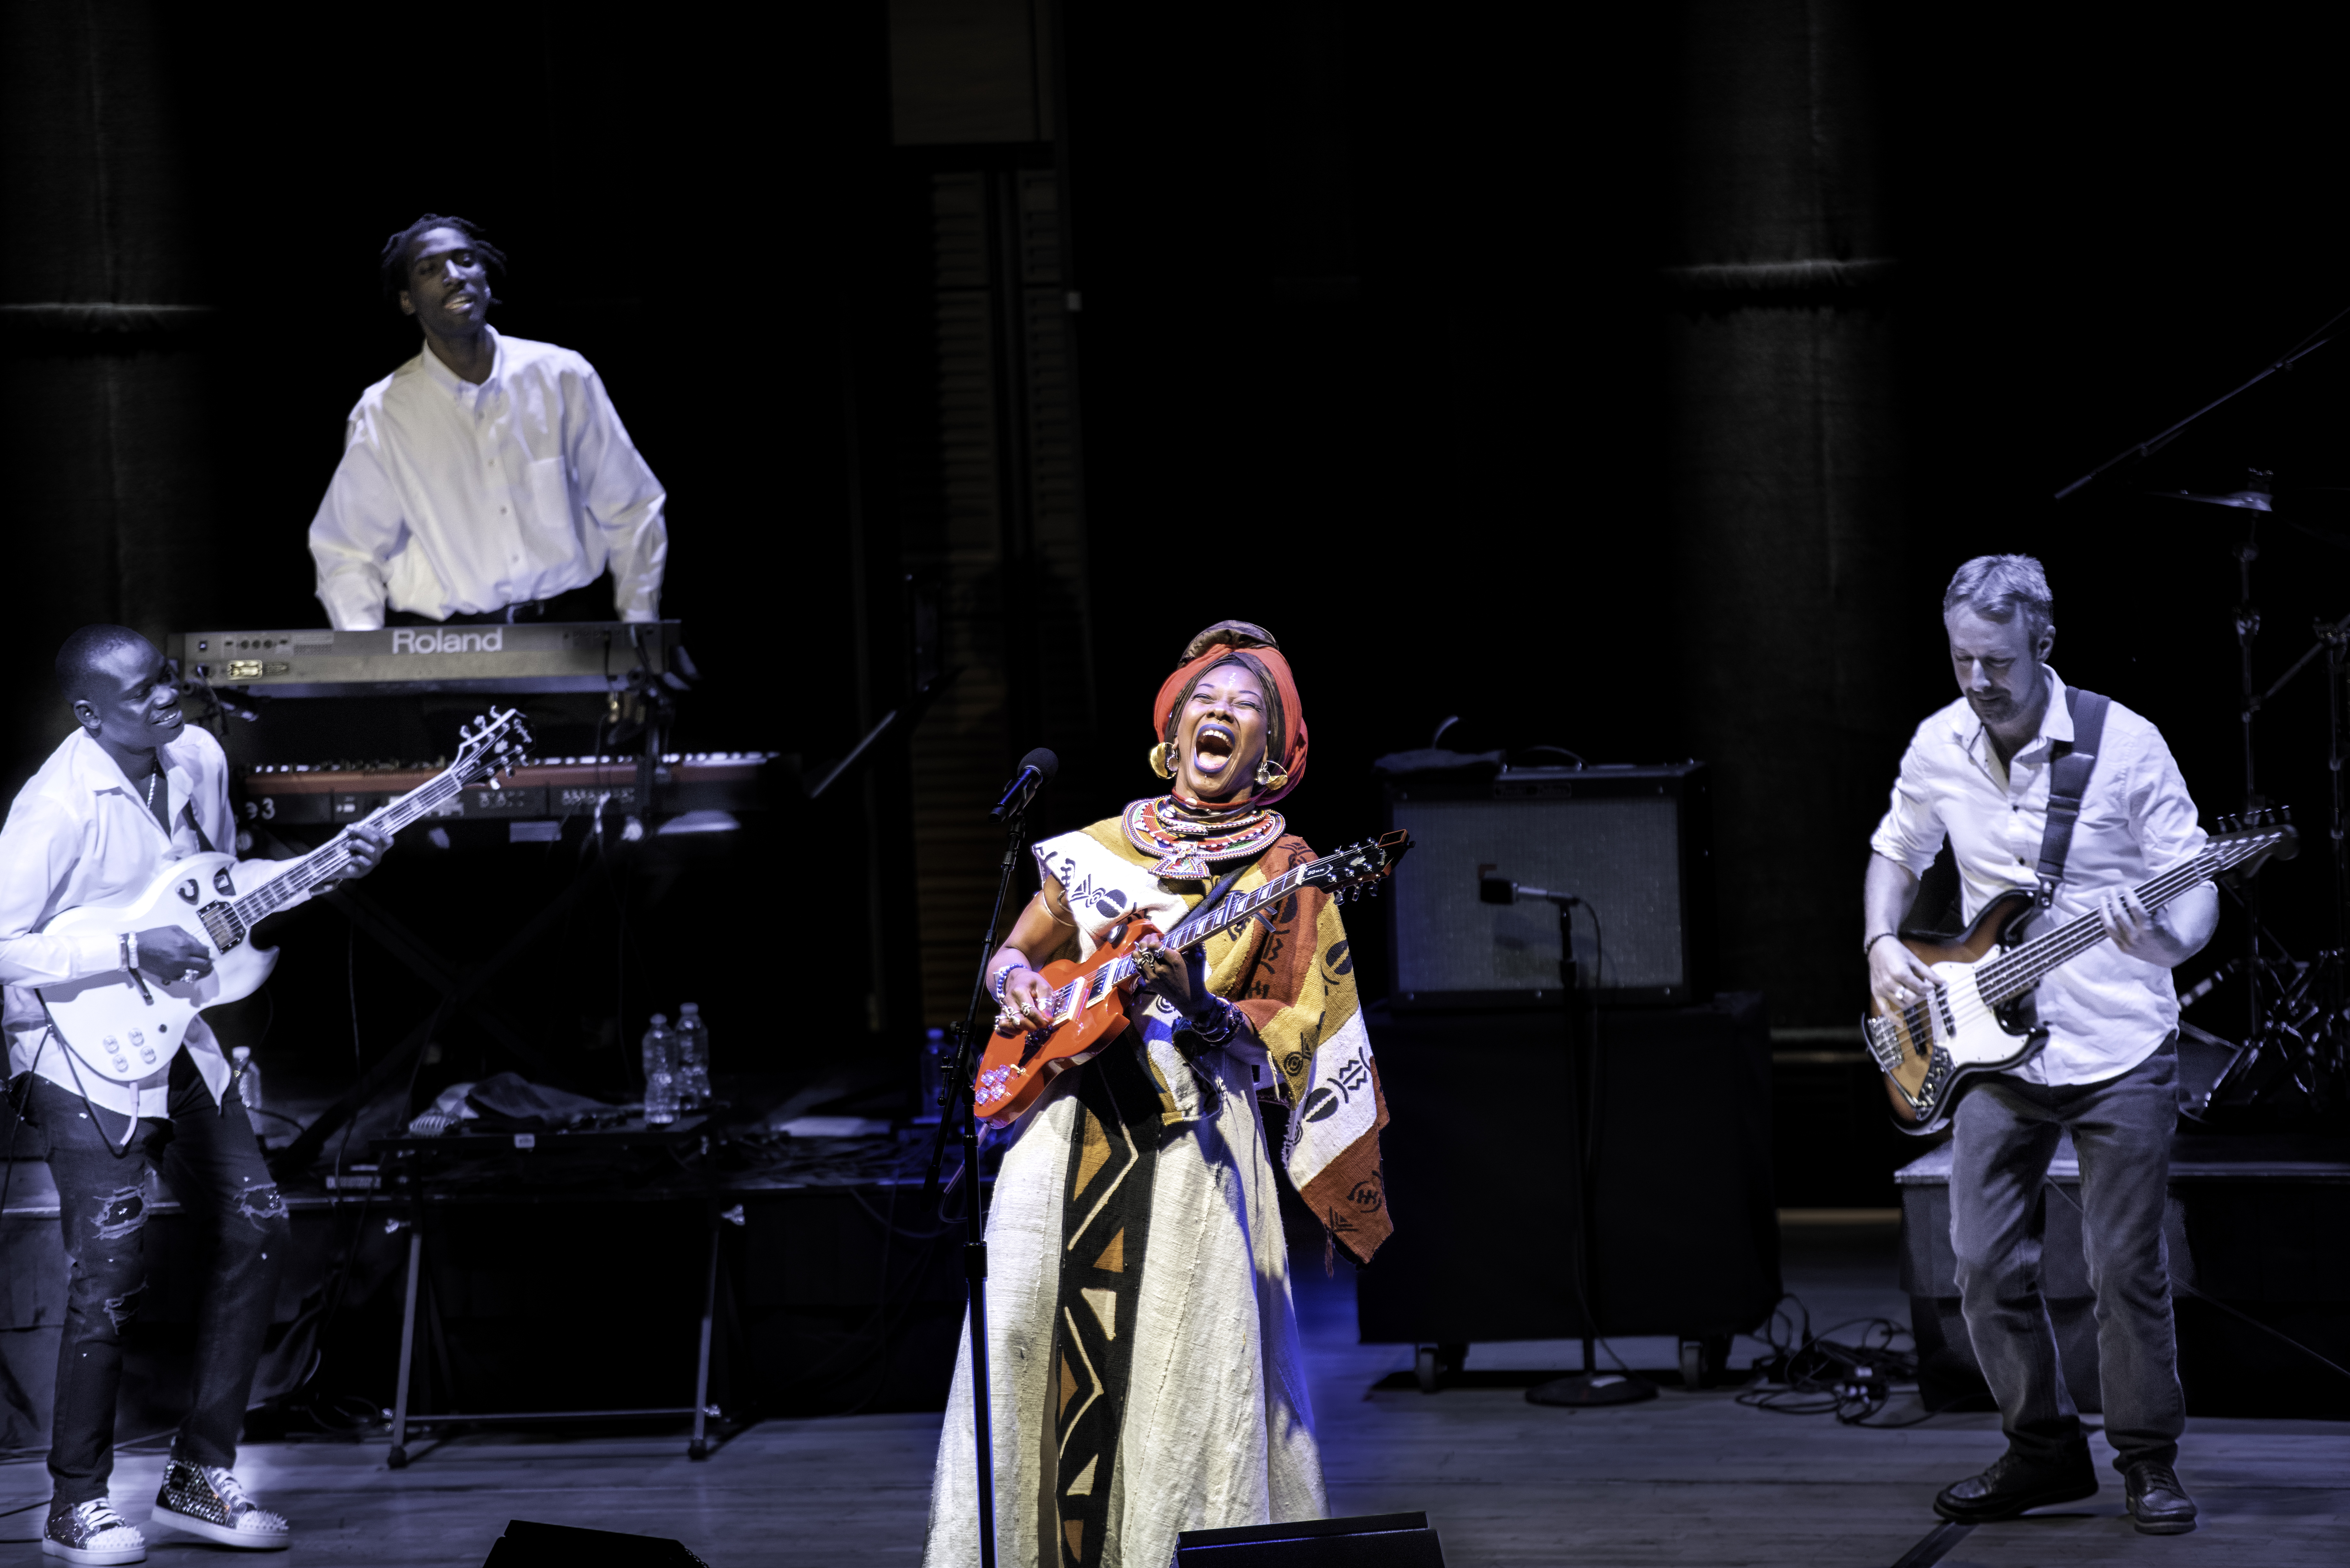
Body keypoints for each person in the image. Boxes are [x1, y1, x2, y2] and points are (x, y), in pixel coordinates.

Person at [922, 622, 1391, 1568]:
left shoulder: (1286, 874)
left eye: (1245, 707)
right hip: (1056, 1146)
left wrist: (1200, 1003)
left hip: (1191, 1154)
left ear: (1271, 752)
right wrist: (1015, 979)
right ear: (1171, 732)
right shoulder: (1097, 847)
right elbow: (1017, 954)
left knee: (1187, 1377)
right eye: (1203, 703)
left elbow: (1297, 1032)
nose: (1220, 713)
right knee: (1022, 1348)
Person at [0, 627, 391, 1563]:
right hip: (72, 1052)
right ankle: (75, 1503)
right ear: (91, 713)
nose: (166, 699)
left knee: (259, 1223)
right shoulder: (55, 808)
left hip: (176, 1034)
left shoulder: (199, 757)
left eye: (167, 680)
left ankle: (199, 1479)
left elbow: (215, 890)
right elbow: (3, 941)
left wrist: (323, 867)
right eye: (141, 694)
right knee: (111, 1271)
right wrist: (128, 950)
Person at [1864, 556, 2215, 1536]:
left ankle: (2147, 1461)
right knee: (1978, 1263)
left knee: (2124, 1268)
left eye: (1998, 662)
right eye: (1962, 659)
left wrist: (2164, 939)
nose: (1979, 681)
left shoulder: (2127, 745)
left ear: (2044, 644)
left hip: (2117, 1046)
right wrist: (1882, 942)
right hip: (1991, 1047)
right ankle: (2043, 1450)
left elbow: (2195, 883)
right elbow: (1896, 849)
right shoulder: (1939, 743)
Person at [307, 214, 669, 630]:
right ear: (407, 300)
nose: (454, 275)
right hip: (448, 646)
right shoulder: (384, 412)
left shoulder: (562, 376)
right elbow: (349, 551)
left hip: (567, 633)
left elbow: (631, 507)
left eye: (465, 260)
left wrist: (639, 632)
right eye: (430, 269)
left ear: (486, 280)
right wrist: (367, 666)